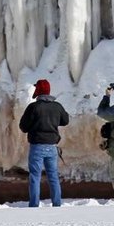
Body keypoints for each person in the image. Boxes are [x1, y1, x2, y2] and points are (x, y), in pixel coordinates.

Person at [18, 78, 70, 207]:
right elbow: (65, 120)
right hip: (52, 147)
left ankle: (34, 205)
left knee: (35, 176)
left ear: (39, 91)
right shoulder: (57, 106)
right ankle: (57, 203)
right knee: (53, 176)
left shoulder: (33, 107)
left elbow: (23, 127)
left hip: (37, 146)